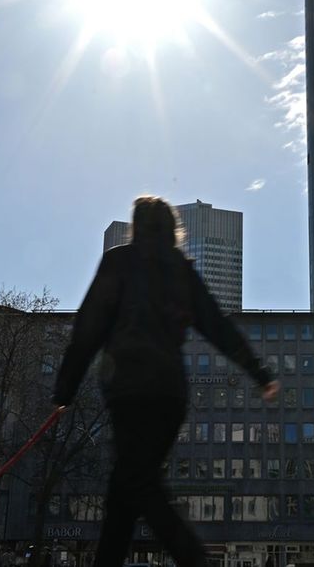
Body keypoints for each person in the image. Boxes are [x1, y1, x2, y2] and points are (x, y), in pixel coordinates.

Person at [52, 196, 280, 567]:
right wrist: (259, 372)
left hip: (129, 388)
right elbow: (217, 325)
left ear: (136, 225)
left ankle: (193, 558)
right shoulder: (181, 269)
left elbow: (88, 328)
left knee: (138, 482)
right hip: (170, 393)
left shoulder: (119, 261)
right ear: (173, 229)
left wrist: (65, 387)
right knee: (124, 491)